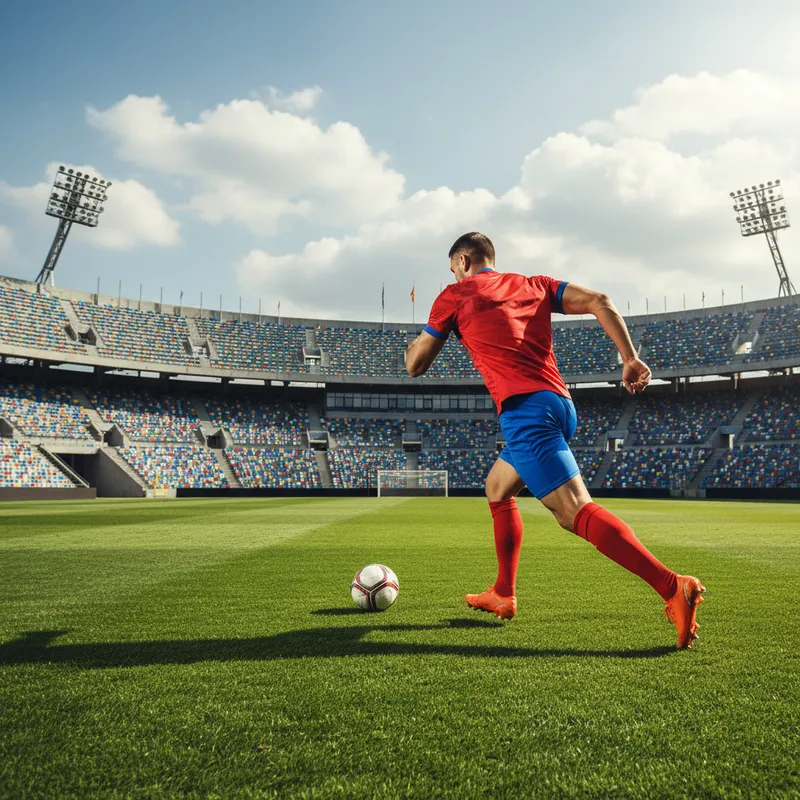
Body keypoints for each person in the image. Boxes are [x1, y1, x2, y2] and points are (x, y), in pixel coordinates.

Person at [405, 232, 705, 649]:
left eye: (452, 265)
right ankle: (503, 594)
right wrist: (629, 358)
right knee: (497, 487)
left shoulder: (455, 294)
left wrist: (412, 345)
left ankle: (673, 585)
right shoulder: (534, 285)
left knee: (573, 512)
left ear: (463, 258)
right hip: (559, 404)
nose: (452, 272)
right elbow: (600, 300)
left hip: (524, 412)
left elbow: (416, 365)